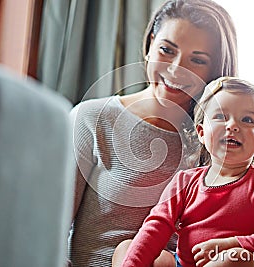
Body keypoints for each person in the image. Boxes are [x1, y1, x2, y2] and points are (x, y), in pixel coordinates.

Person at [69, 0, 238, 266]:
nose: (176, 69)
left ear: (214, 72)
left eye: (197, 60)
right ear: (149, 45)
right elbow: (49, 232)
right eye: (167, 50)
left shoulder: (218, 144)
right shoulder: (91, 118)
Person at [113, 77, 254, 267]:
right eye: (220, 117)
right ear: (202, 133)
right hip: (185, 263)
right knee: (127, 248)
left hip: (239, 263)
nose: (232, 126)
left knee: (234, 258)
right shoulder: (185, 181)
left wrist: (232, 245)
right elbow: (157, 226)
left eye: (247, 120)